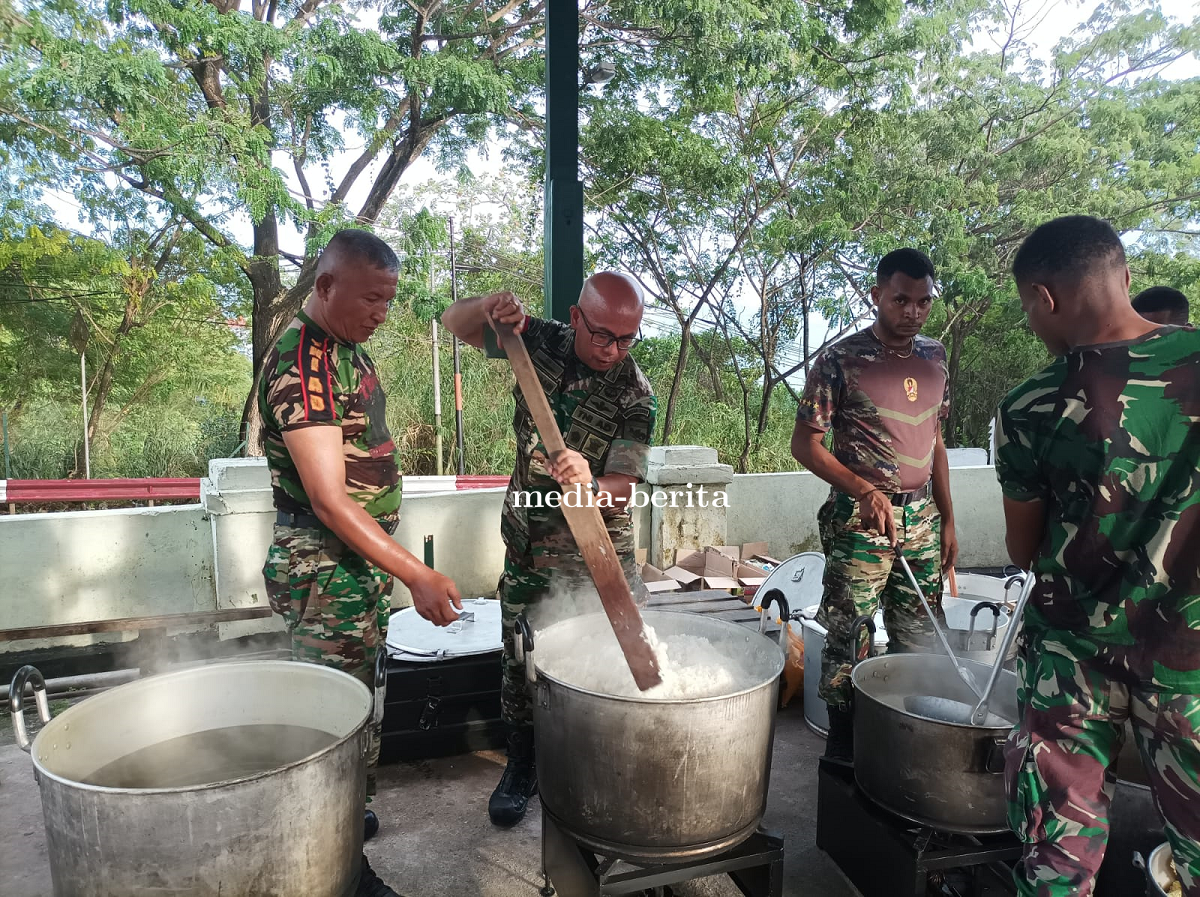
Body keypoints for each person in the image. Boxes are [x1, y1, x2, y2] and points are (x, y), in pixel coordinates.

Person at [995, 215, 1200, 897]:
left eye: (1028, 307)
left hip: (1068, 664)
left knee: (1058, 857)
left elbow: (1024, 548)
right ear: (1127, 278)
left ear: (1044, 298)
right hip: (1187, 663)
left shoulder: (1031, 404)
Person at [259, 229, 462, 897]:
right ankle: (336, 871)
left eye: (389, 300)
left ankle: (344, 824)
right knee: (330, 729)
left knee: (356, 708)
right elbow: (327, 497)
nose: (381, 311)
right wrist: (417, 571)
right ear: (325, 286)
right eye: (371, 297)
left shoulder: (345, 350)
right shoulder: (304, 360)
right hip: (325, 566)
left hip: (353, 569)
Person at [441, 272, 656, 826]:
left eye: (627, 339)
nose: (613, 350)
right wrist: (488, 306)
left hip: (598, 553)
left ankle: (612, 759)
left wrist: (589, 479)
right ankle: (522, 764)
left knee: (621, 655)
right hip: (530, 543)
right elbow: (455, 323)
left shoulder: (635, 393)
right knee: (522, 657)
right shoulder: (540, 339)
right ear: (577, 316)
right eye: (603, 335)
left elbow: (623, 489)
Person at [791, 248, 958, 764]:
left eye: (923, 302)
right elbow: (805, 444)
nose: (913, 311)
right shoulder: (841, 360)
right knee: (852, 633)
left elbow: (934, 442)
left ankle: (910, 743)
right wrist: (864, 490)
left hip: (923, 520)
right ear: (877, 296)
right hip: (860, 522)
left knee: (922, 632)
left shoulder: (935, 358)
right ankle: (844, 747)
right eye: (901, 299)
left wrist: (949, 518)